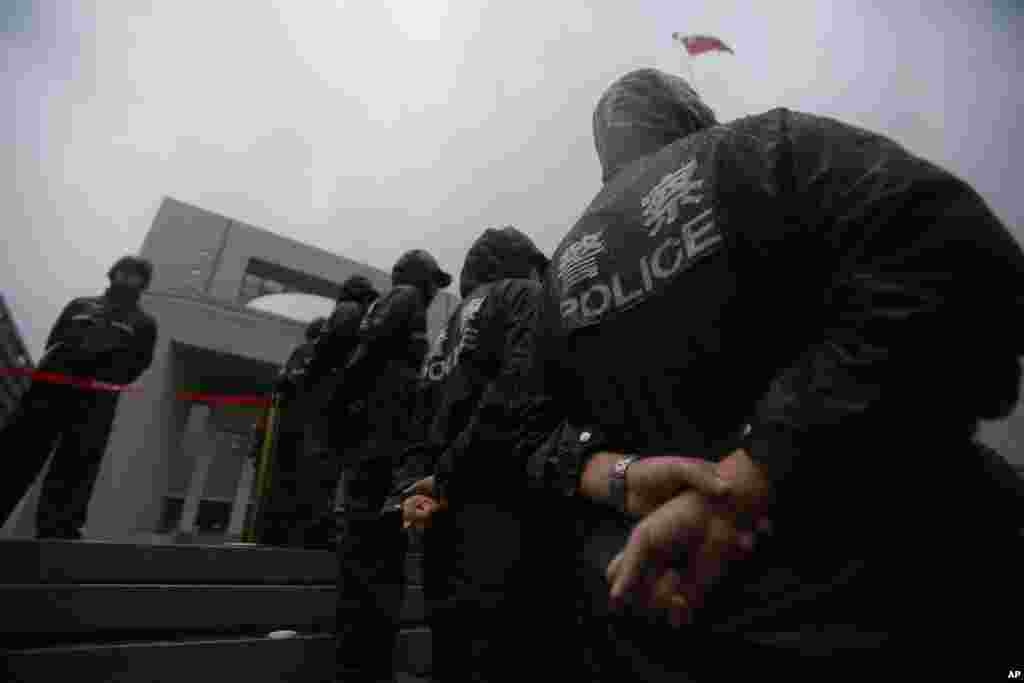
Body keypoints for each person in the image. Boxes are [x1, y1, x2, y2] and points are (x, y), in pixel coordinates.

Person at [523, 68, 1024, 678]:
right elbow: (959, 256)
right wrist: (760, 467)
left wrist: (618, 475)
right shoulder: (757, 152)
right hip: (890, 611)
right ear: (692, 114)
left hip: (668, 630)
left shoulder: (561, 275)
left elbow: (528, 435)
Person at [400, 226, 564, 683]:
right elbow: (516, 391)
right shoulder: (523, 294)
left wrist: (417, 486)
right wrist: (450, 474)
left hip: (439, 521)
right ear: (524, 264)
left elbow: (420, 415)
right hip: (502, 516)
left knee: (450, 655)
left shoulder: (446, 331)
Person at [336, 249, 451, 683]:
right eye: (430, 281)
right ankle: (360, 661)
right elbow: (364, 357)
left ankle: (368, 658)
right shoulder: (402, 297)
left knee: (381, 552)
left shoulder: (408, 308)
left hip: (389, 441)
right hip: (379, 441)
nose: (431, 292)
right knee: (371, 550)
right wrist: (347, 408)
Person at [0, 256, 158, 539]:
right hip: (51, 390)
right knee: (18, 451)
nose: (126, 278)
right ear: (113, 274)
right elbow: (55, 341)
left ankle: (59, 528)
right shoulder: (80, 305)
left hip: (96, 396)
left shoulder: (144, 323)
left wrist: (105, 372)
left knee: (78, 461)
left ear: (143, 283)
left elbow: (139, 362)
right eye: (123, 271)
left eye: (134, 275)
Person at [300, 276, 381, 549]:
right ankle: (321, 528)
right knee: (330, 466)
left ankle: (316, 527)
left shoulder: (344, 311)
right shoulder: (355, 313)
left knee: (323, 464)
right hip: (338, 396)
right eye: (368, 296)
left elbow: (326, 351)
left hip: (328, 395)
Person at [258, 316, 327, 547]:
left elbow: (282, 382)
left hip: (290, 427)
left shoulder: (301, 352)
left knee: (282, 483)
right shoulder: (314, 352)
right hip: (307, 429)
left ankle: (275, 534)